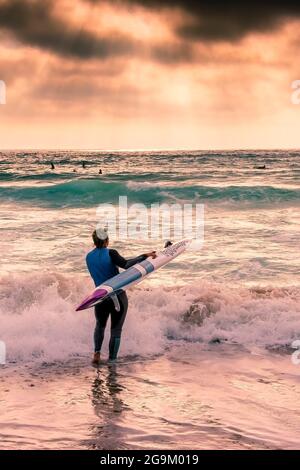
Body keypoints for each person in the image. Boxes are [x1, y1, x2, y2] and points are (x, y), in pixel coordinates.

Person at [86, 228, 156, 365]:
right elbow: (126, 265)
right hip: (117, 295)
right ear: (107, 240)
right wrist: (144, 256)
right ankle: (112, 361)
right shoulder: (111, 253)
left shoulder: (88, 257)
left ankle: (97, 353)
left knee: (100, 325)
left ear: (94, 241)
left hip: (100, 296)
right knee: (116, 329)